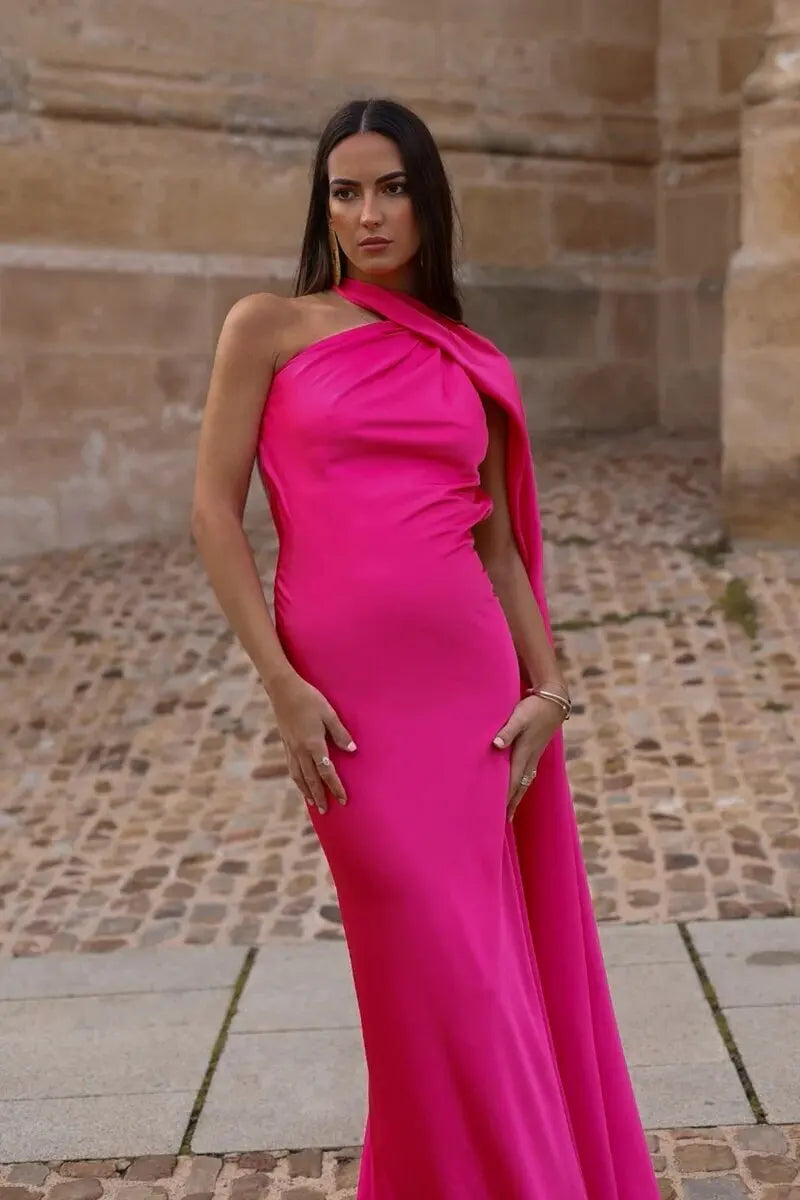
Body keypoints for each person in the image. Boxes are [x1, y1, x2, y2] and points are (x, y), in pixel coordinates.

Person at [191, 97, 659, 1200]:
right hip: (344, 706)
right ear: (324, 204)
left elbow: (496, 546)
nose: (367, 213)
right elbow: (215, 513)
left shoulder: (470, 359)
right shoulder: (268, 325)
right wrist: (282, 685)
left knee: (476, 975)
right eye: (344, 190)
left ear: (427, 200)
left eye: (392, 187)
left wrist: (549, 687)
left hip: (467, 699)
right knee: (433, 969)